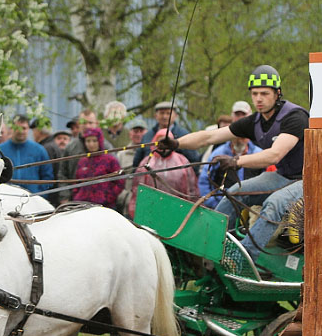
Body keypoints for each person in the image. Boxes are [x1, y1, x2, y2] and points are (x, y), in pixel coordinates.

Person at [158, 65, 310, 263]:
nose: (259, 99)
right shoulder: (254, 121)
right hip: (284, 177)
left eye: (265, 93)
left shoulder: (294, 117)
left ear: (277, 94)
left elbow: (274, 155)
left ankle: (240, 259)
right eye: (255, 94)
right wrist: (177, 143)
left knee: (274, 204)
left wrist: (236, 161)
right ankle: (210, 245)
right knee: (234, 192)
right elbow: (209, 136)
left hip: (309, 179)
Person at [127, 129, 198, 219]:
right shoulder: (147, 162)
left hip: (177, 211)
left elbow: (192, 189)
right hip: (151, 211)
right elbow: (137, 190)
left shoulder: (182, 162)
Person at [59, 109, 113, 202]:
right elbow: (63, 174)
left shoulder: (107, 147)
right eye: (84, 123)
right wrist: (64, 197)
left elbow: (115, 175)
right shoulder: (71, 147)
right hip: (76, 200)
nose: (87, 126)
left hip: (102, 202)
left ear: (97, 123)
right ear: (79, 124)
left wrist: (109, 198)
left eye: (90, 123)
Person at [198, 135, 262, 209]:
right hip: (220, 204)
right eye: (236, 137)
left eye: (242, 137)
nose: (239, 140)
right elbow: (204, 180)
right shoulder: (219, 154)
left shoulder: (259, 154)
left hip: (250, 207)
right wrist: (213, 203)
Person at [132, 101, 200, 167]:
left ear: (176, 116)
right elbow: (137, 163)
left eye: (168, 113)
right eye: (162, 113)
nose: (164, 116)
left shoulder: (184, 135)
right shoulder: (147, 136)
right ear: (156, 116)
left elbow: (194, 161)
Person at [0, 115, 54, 195]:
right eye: (18, 128)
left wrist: (41, 195)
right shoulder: (1, 150)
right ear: (12, 128)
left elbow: (47, 176)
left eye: (24, 128)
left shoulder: (39, 150)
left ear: (28, 129)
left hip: (33, 198)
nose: (21, 131)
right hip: (7, 197)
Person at [71, 128, 123, 208]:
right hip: (82, 206)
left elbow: (120, 181)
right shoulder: (82, 161)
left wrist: (108, 198)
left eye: (94, 141)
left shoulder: (110, 160)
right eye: (88, 141)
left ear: (100, 141)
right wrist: (76, 196)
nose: (91, 144)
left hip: (104, 206)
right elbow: (76, 182)